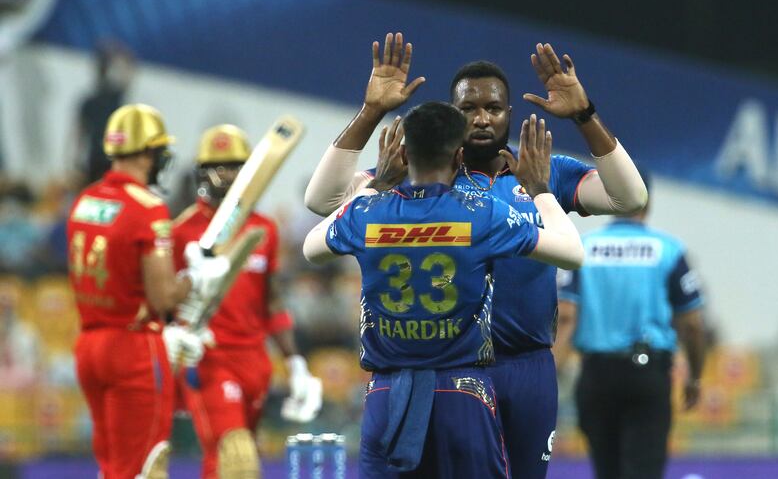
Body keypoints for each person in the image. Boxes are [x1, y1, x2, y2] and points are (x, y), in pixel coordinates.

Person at [304, 33, 648, 477]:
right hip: (451, 366)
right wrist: (371, 113)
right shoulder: (424, 171)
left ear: (510, 114)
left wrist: (585, 115)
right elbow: (323, 199)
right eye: (469, 109)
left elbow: (630, 197)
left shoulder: (543, 169)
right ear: (452, 116)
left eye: (493, 108)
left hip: (526, 364)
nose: (482, 118)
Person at [304, 101, 584, 478]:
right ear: (459, 156)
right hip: (463, 393)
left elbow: (312, 247)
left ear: (402, 153)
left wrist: (377, 185)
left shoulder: (367, 213)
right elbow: (571, 253)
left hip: (389, 392)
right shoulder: (482, 212)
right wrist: (540, 190)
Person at [67, 104, 229, 479]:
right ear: (146, 153)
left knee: (109, 466)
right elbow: (163, 297)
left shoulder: (85, 201)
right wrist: (197, 276)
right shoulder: (148, 209)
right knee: (142, 466)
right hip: (133, 349)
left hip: (90, 345)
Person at [170, 124, 321, 479]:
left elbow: (271, 300)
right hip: (208, 358)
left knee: (247, 457)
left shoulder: (264, 229)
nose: (225, 175)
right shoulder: (181, 233)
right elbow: (162, 300)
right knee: (231, 455)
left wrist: (295, 362)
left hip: (255, 360)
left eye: (235, 166)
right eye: (216, 166)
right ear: (200, 172)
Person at [554, 178, 706, 479]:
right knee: (643, 471)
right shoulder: (669, 250)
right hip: (647, 375)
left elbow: (567, 317)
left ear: (612, 198)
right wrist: (696, 378)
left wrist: (549, 375)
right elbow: (691, 323)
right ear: (647, 202)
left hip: (595, 376)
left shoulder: (584, 247)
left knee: (606, 471)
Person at [76, 41, 136, 183]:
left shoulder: (115, 98)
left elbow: (128, 75)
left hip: (110, 159)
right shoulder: (91, 102)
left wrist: (122, 53)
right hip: (96, 159)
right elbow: (80, 132)